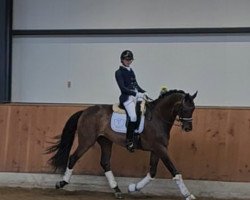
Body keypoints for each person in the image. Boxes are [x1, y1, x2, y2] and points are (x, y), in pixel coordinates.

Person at [115, 50, 146, 152]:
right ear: (122, 60)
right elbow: (123, 88)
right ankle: (129, 141)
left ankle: (138, 134)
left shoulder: (131, 71)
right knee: (133, 117)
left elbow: (135, 84)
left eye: (130, 60)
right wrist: (135, 93)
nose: (128, 61)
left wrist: (143, 92)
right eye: (126, 59)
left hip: (135, 97)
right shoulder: (118, 72)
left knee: (143, 111)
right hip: (126, 98)